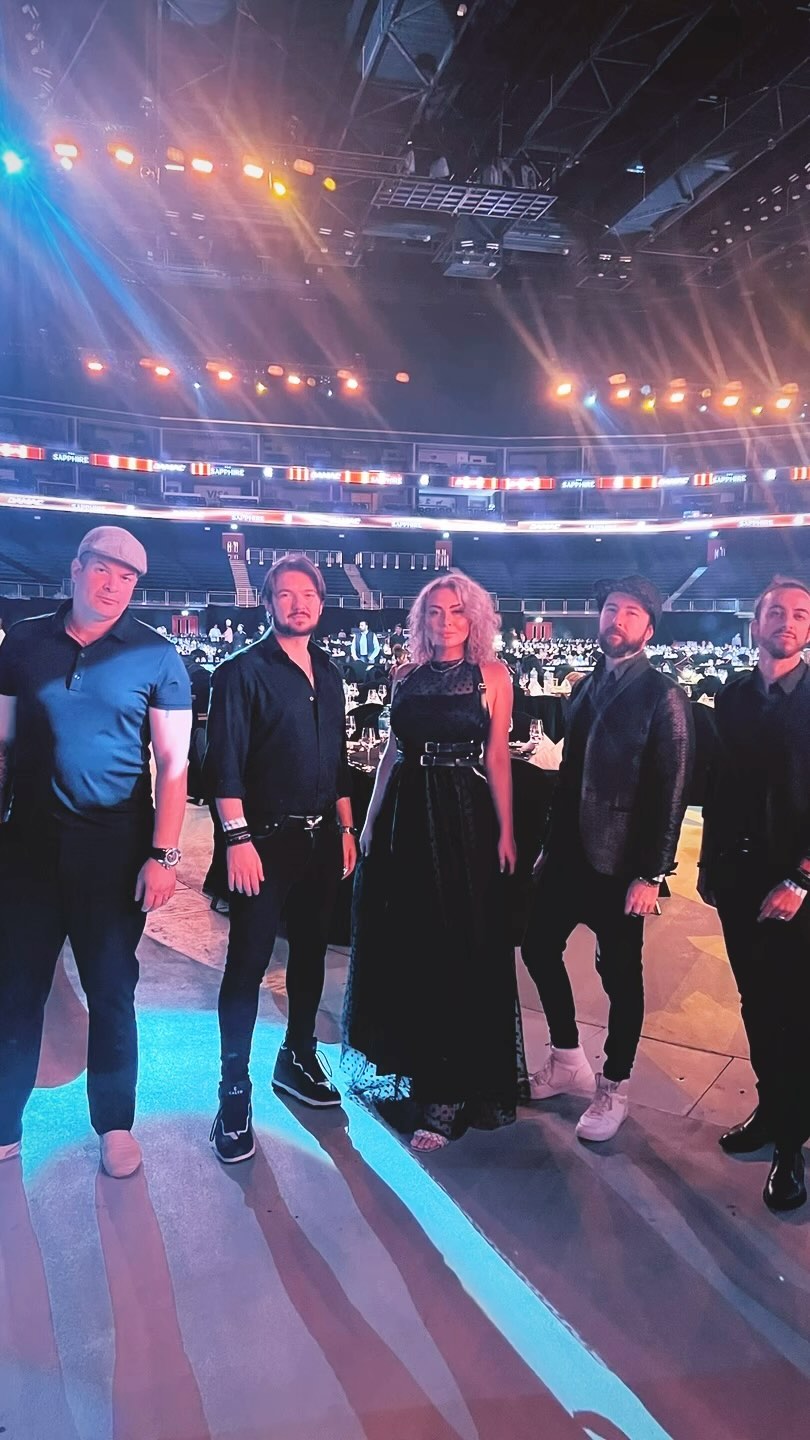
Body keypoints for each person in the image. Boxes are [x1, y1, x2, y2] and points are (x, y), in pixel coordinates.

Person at [0, 526, 192, 1178]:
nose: (114, 586)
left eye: (127, 578)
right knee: (16, 991)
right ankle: (4, 1122)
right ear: (77, 568)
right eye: (103, 570)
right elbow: (1, 745)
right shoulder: (24, 641)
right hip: (27, 852)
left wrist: (164, 856)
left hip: (114, 856)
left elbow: (172, 765)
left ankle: (114, 1125)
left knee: (112, 992)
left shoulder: (157, 655)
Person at [342, 569, 527, 1151]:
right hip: (406, 813)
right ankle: (411, 1071)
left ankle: (448, 1094)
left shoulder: (493, 675)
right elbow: (391, 754)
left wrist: (507, 830)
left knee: (457, 943)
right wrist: (371, 820)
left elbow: (497, 757)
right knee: (408, 943)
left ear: (475, 618)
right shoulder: (404, 675)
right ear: (422, 620)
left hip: (462, 813)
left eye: (456, 611)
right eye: (435, 612)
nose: (445, 622)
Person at [521, 575, 694, 1142]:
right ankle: (568, 1056)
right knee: (538, 946)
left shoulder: (663, 696)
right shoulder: (585, 685)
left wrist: (653, 873)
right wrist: (549, 845)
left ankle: (613, 1085)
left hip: (622, 864)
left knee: (620, 976)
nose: (616, 620)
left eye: (630, 613)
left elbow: (672, 791)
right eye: (611, 609)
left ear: (649, 629)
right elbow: (570, 775)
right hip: (569, 853)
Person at [203, 554, 358, 1164]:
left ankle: (297, 1055)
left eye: (308, 595)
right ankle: (233, 1091)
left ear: (321, 603)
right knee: (246, 965)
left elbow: (337, 760)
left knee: (311, 955)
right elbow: (224, 765)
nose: (299, 604)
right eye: (286, 595)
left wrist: (345, 827)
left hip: (321, 841)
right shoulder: (239, 672)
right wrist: (237, 841)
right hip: (262, 842)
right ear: (267, 603)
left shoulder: (331, 672)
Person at [698, 577, 810, 1212]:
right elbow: (721, 787)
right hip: (739, 878)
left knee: (796, 1011)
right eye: (776, 612)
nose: (787, 622)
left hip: (796, 885)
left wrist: (801, 878)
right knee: (757, 1004)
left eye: (800, 614)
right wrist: (708, 866)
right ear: (756, 624)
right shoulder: (733, 695)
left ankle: (791, 1145)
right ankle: (772, 1110)